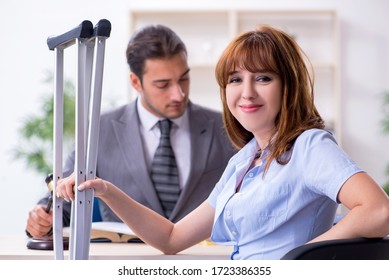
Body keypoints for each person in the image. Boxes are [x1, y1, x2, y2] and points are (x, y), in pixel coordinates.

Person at [55, 25, 389, 260]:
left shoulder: (309, 146)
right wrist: (105, 190)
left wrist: (301, 258)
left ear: (288, 86)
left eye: (263, 78)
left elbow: (379, 211)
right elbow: (171, 239)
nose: (247, 92)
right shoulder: (244, 161)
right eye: (235, 79)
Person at [25, 24, 236, 238]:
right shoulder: (98, 129)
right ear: (136, 82)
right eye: (163, 85)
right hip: (124, 260)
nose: (178, 94)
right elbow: (65, 201)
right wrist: (43, 219)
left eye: (183, 78)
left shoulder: (227, 127)